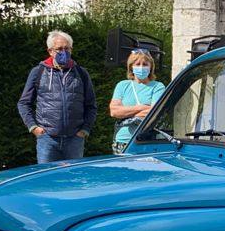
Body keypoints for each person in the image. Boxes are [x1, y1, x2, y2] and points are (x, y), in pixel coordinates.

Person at [17, 30, 97, 164]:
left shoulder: (81, 73)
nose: (64, 52)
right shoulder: (38, 72)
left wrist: (84, 130)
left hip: (74, 139)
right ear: (50, 51)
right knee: (47, 181)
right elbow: (24, 103)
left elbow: (91, 105)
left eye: (67, 48)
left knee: (73, 180)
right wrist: (34, 128)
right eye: (59, 49)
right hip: (47, 139)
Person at [109, 50, 166, 154]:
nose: (141, 67)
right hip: (122, 142)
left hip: (146, 142)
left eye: (145, 64)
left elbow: (154, 113)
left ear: (151, 67)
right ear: (131, 67)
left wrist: (125, 113)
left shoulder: (158, 86)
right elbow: (114, 112)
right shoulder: (122, 85)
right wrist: (142, 107)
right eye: (137, 64)